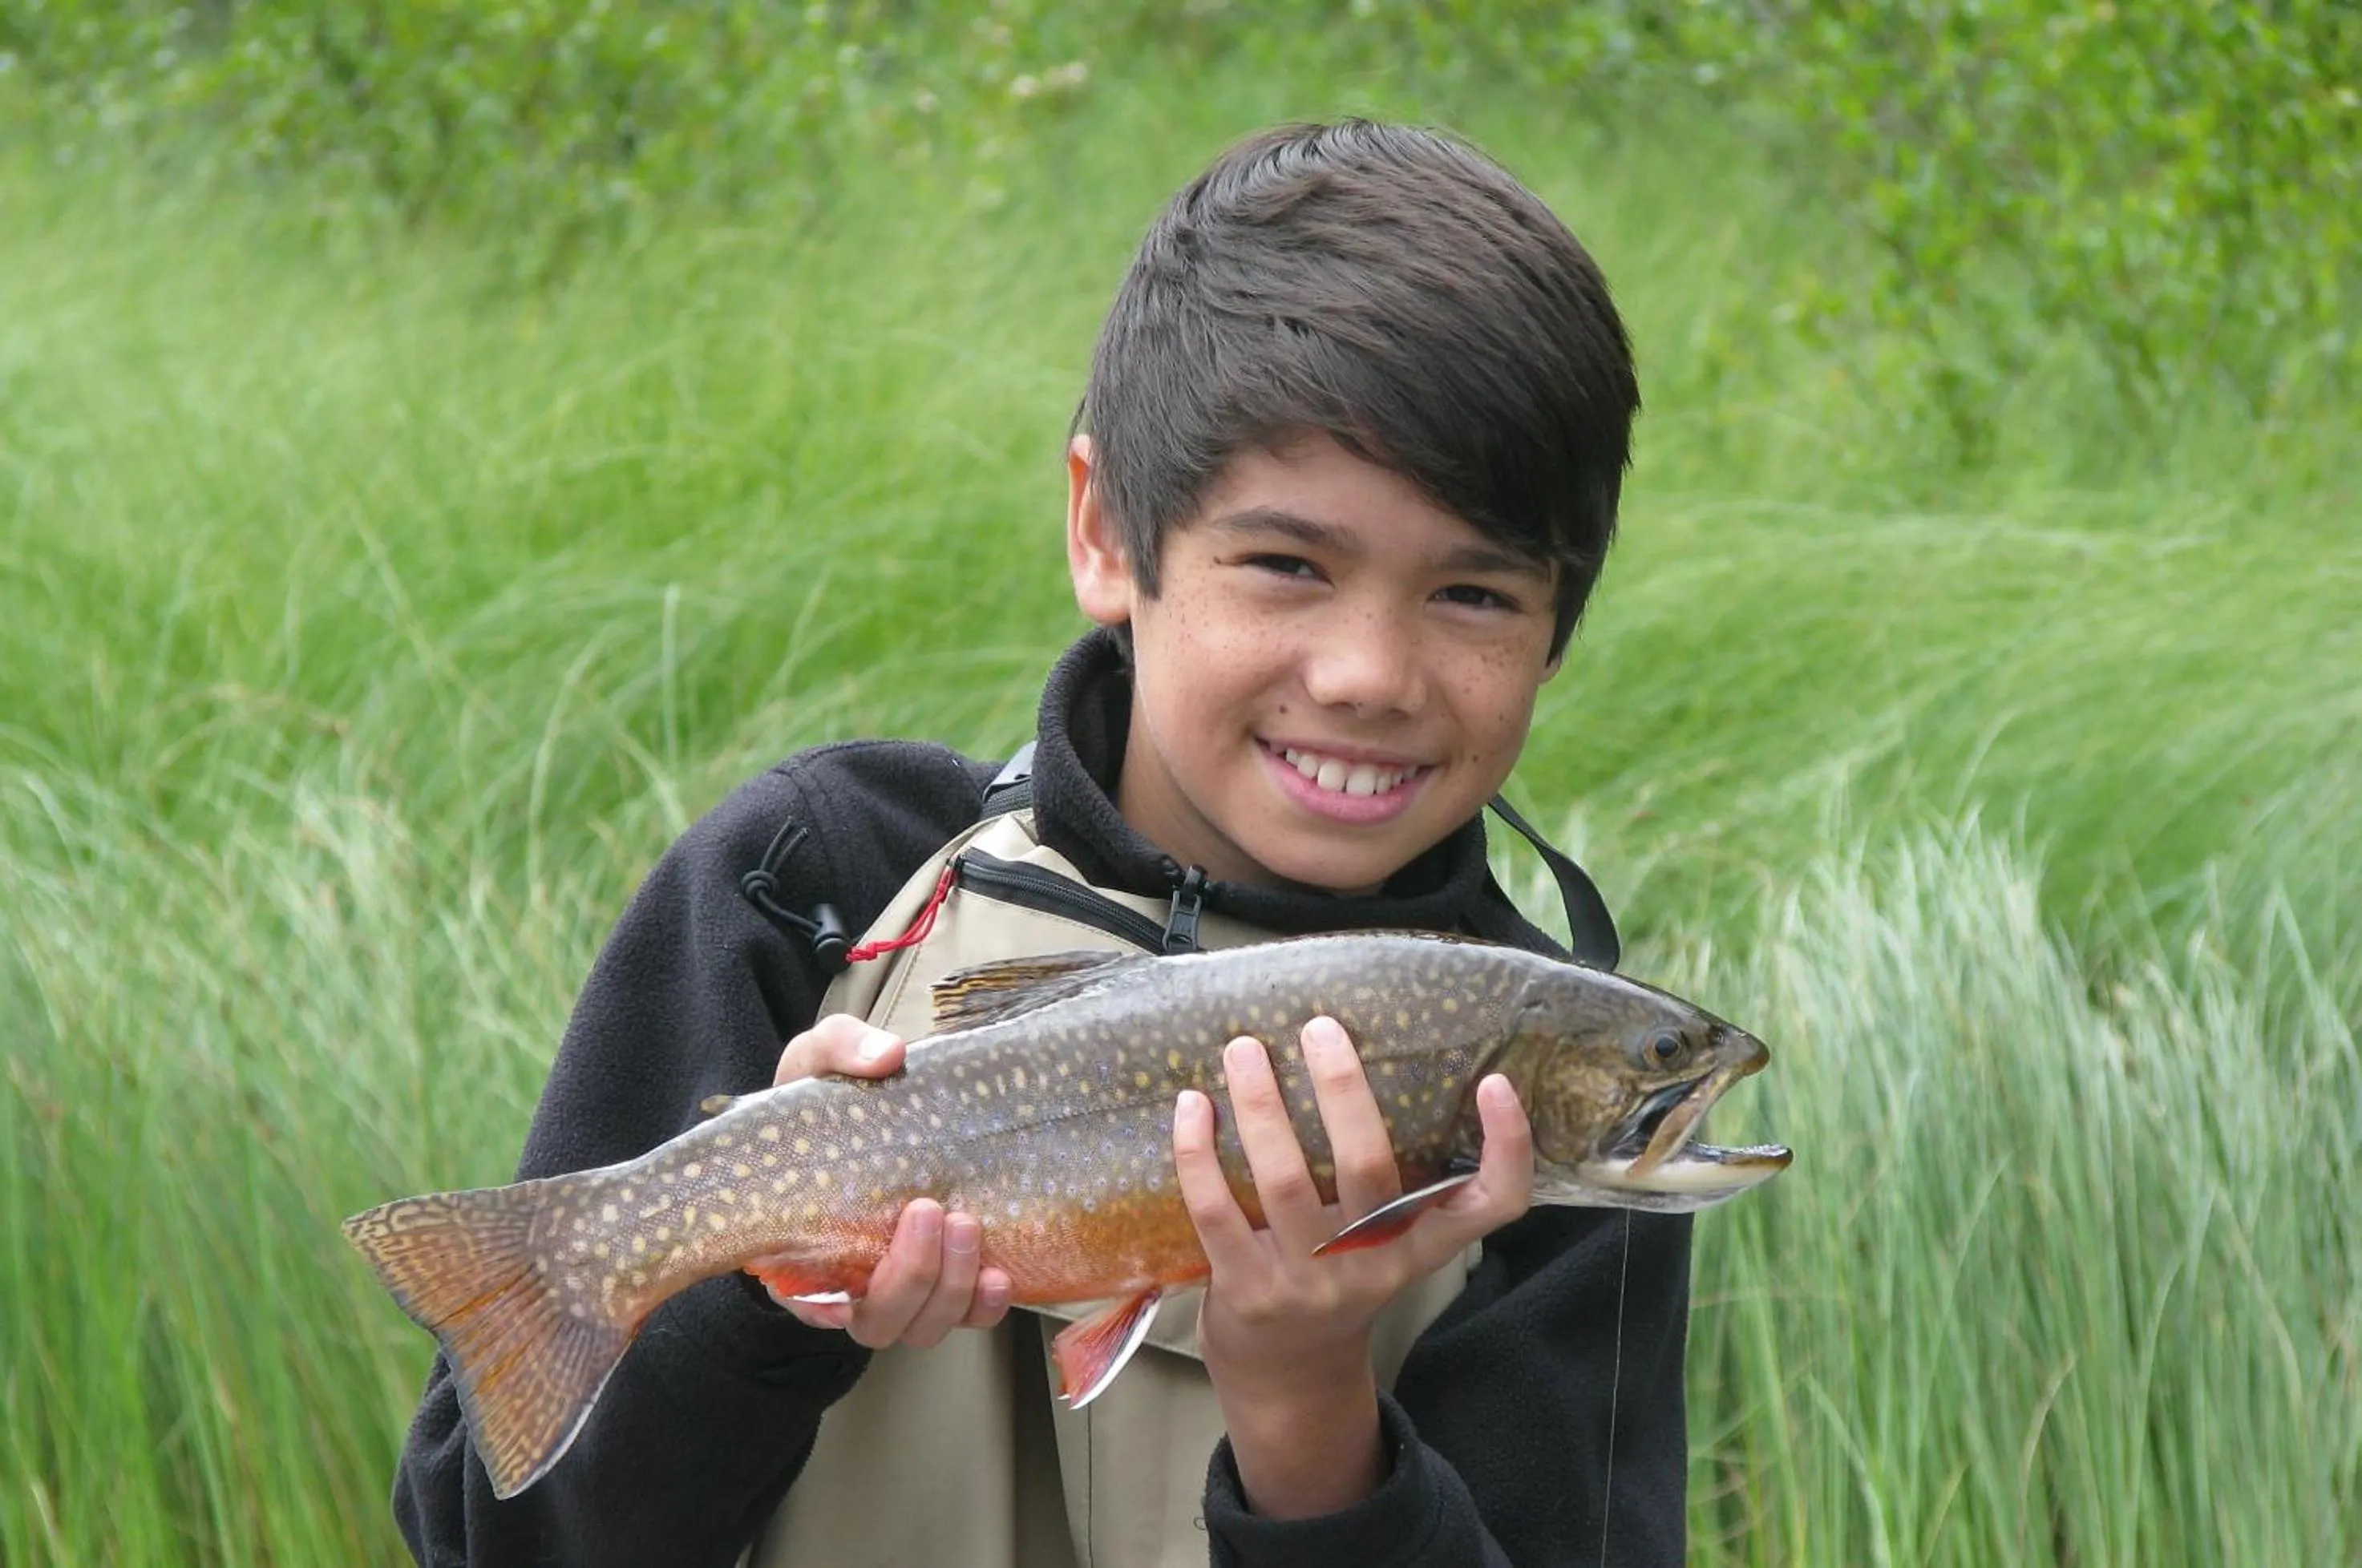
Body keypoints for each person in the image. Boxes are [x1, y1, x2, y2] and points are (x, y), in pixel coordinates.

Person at [391, 119, 1692, 1566]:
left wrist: (1310, 1420)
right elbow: (484, 1546)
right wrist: (760, 1299)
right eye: (1285, 565)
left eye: (1474, 595)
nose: (1366, 673)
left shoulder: (1559, 1143)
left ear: (1559, 628)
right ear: (1104, 535)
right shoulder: (810, 887)